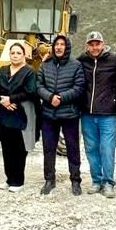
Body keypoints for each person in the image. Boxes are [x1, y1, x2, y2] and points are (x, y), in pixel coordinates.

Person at [77, 31, 116, 197]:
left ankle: (108, 182)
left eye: (97, 43)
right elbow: (68, 69)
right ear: (87, 46)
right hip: (87, 113)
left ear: (103, 44)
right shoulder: (81, 61)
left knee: (107, 148)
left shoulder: (114, 60)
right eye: (91, 44)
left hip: (108, 114)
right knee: (91, 148)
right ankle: (96, 180)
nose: (94, 47)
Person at [37, 34, 85, 195]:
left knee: (72, 148)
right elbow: (39, 85)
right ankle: (49, 180)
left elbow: (79, 87)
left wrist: (62, 98)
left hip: (69, 114)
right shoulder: (46, 65)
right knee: (48, 149)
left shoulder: (76, 65)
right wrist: (50, 97)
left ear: (67, 47)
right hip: (49, 114)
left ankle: (76, 181)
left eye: (62, 44)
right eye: (56, 44)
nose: (58, 47)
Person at [0, 42, 38, 192]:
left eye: (18, 53)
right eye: (12, 53)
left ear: (23, 55)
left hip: (21, 114)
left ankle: (18, 181)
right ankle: (9, 179)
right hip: (4, 114)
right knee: (6, 149)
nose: (15, 55)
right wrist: (3, 101)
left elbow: (31, 91)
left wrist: (11, 99)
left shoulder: (29, 72)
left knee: (19, 149)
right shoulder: (2, 70)